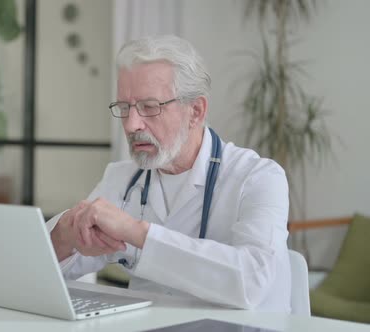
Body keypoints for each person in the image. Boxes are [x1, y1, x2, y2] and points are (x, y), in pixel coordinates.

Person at [46, 35, 291, 312]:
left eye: (149, 107)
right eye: (124, 108)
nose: (130, 124)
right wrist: (63, 237)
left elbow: (252, 281)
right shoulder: (122, 180)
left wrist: (137, 232)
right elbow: (51, 271)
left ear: (195, 111)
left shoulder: (258, 177)